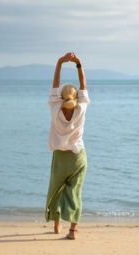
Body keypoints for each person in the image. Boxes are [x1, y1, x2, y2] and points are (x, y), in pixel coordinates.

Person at [45, 52, 89, 240]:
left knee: (56, 189)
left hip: (60, 156)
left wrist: (60, 63)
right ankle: (73, 231)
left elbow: (55, 85)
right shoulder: (81, 108)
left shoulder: (55, 107)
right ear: (76, 97)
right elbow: (84, 87)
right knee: (75, 192)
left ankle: (56, 226)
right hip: (78, 156)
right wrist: (78, 64)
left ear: (61, 98)